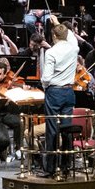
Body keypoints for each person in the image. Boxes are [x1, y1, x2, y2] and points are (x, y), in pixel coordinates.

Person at [39, 16, 78, 177]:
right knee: (66, 129)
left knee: (52, 130)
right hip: (69, 92)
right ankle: (66, 166)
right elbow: (71, 36)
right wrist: (57, 23)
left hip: (54, 92)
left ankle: (50, 168)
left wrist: (44, 85)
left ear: (54, 36)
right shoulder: (74, 48)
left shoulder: (51, 52)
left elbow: (47, 77)